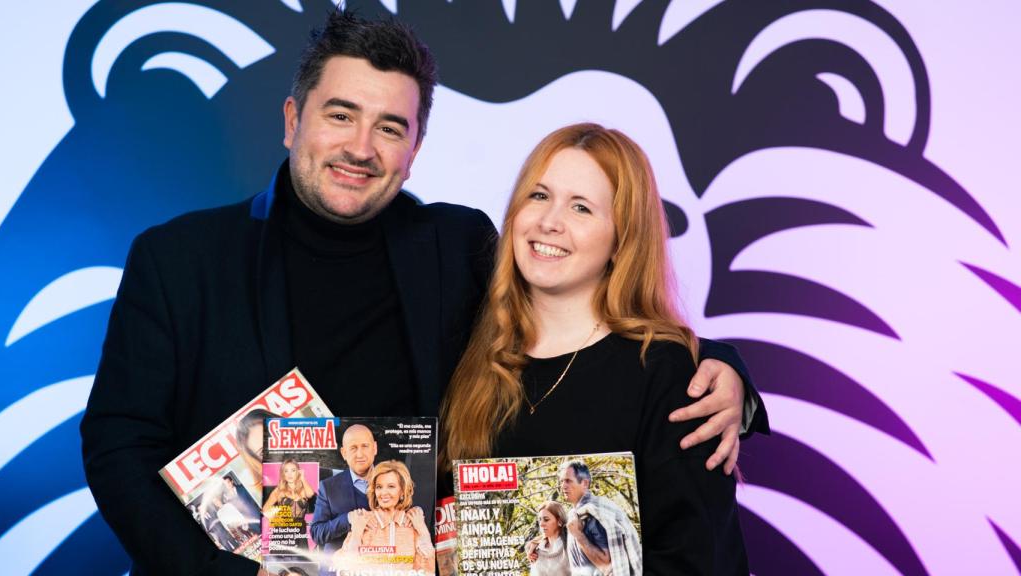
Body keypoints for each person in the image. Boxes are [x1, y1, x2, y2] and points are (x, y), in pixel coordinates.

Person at [80, 10, 764, 576]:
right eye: (340, 115)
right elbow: (117, 444)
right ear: (292, 120)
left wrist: (726, 370)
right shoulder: (178, 259)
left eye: (390, 127)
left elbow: (576, 308)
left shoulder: (457, 246)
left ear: (416, 148)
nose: (360, 147)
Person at [440, 123, 749, 574]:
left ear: (621, 240)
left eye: (581, 207)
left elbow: (701, 560)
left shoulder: (668, 371)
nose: (550, 221)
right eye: (539, 196)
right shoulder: (474, 354)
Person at [332, 460, 435, 573]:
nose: (383, 493)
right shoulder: (364, 520)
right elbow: (345, 568)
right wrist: (356, 533)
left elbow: (427, 569)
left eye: (391, 486)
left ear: (402, 491)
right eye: (379, 487)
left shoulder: (414, 522)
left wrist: (422, 530)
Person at [310, 424, 377, 574]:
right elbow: (316, 533)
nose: (360, 454)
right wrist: (347, 519)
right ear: (344, 453)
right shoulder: (328, 487)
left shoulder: (393, 482)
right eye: (353, 448)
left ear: (375, 448)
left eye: (365, 446)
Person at [559, 461, 640, 575]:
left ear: (585, 483)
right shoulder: (575, 515)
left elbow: (606, 564)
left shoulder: (592, 514)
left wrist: (578, 535)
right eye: (561, 481)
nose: (563, 486)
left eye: (568, 480)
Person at [524, 501, 570, 576]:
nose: (541, 524)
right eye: (540, 520)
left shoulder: (570, 546)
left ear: (559, 521)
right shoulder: (535, 549)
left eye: (546, 519)